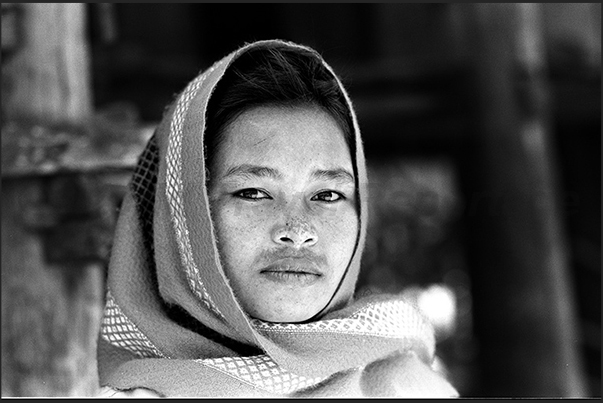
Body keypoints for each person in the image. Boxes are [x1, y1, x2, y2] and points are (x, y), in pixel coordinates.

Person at [96, 39, 459, 398]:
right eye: (253, 193)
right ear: (184, 220)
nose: (297, 232)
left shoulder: (410, 387)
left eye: (327, 195)